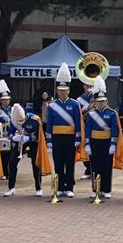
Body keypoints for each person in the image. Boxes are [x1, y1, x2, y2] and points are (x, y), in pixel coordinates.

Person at [45, 63, 84, 198]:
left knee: (69, 163)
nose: (62, 92)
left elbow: (78, 122)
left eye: (65, 90)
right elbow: (49, 123)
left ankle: (70, 187)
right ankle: (60, 186)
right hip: (56, 138)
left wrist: (78, 139)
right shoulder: (52, 105)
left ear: (68, 90)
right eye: (60, 90)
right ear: (57, 91)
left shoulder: (74, 104)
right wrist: (49, 139)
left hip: (70, 138)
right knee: (58, 163)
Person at [84, 76, 123, 199]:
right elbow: (88, 129)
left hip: (107, 143)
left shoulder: (112, 113)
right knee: (95, 166)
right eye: (99, 101)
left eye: (103, 101)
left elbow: (115, 129)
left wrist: (113, 144)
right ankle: (95, 189)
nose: (101, 103)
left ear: (106, 101)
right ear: (95, 102)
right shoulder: (91, 114)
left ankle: (106, 189)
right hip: (95, 142)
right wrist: (87, 144)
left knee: (106, 167)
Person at [6, 103, 50, 197]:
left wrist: (28, 138)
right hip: (20, 140)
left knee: (35, 163)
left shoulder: (35, 119)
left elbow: (38, 137)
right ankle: (11, 187)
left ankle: (38, 188)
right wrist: (13, 137)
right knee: (12, 161)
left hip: (33, 141)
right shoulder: (13, 119)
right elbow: (10, 133)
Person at [0, 79, 15, 189]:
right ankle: (4, 172)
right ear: (1, 101)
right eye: (3, 100)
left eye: (7, 100)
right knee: (3, 155)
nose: (5, 101)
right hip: (2, 135)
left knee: (11, 155)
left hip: (11, 135)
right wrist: (3, 125)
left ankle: (10, 172)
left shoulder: (14, 109)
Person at [76, 81, 95, 181]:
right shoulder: (79, 99)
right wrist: (86, 108)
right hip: (84, 125)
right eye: (87, 85)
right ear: (83, 86)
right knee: (85, 147)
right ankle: (88, 169)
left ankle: (94, 170)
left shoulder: (96, 97)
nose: (89, 87)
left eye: (91, 86)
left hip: (95, 126)